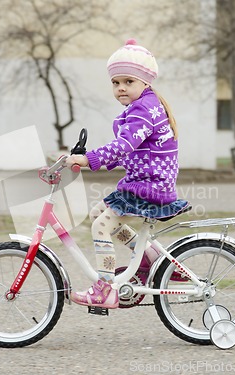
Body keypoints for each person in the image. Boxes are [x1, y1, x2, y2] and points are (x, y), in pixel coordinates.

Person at [65, 39, 189, 309]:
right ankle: (150, 257)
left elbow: (124, 145)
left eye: (128, 81)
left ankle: (105, 289)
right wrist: (88, 160)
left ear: (144, 82)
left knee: (101, 226)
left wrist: (89, 159)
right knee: (98, 213)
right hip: (144, 183)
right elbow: (131, 149)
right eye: (115, 82)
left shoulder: (143, 110)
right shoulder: (145, 105)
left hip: (149, 187)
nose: (121, 87)